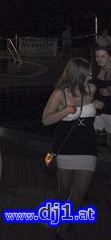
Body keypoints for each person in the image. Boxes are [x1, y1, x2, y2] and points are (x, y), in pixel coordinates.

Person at [41, 58, 104, 237]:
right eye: (88, 72)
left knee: (79, 193)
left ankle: (63, 227)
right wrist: (65, 111)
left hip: (88, 148)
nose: (91, 75)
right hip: (65, 148)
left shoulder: (92, 89)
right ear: (78, 74)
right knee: (63, 193)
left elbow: (98, 104)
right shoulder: (60, 93)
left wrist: (99, 105)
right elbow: (46, 120)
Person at [93, 45, 111, 149]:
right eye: (97, 56)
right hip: (100, 109)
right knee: (90, 136)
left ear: (110, 57)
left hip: (108, 110)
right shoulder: (101, 68)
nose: (99, 59)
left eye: (103, 56)